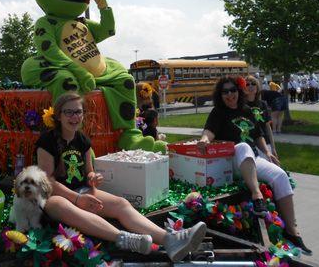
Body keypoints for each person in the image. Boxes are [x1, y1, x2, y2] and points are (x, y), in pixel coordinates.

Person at [36, 92, 206, 262]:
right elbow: (48, 181)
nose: (75, 117)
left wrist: (93, 177)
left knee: (121, 203)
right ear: (58, 115)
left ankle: (170, 240)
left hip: (82, 191)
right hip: (55, 197)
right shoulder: (47, 141)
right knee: (60, 204)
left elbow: (88, 171)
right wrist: (77, 198)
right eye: (69, 112)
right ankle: (125, 239)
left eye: (78, 112)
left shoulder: (82, 139)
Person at [197, 77, 311, 255]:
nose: (229, 94)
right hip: (231, 161)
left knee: (280, 175)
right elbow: (209, 131)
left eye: (232, 90)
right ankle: (257, 195)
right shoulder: (218, 112)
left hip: (253, 158)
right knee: (242, 147)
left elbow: (258, 135)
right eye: (225, 92)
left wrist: (268, 152)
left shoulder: (247, 110)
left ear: (238, 92)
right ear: (220, 95)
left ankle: (292, 231)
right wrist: (204, 140)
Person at [243, 75, 279, 161]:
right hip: (250, 144)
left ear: (257, 86)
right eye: (247, 84)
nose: (251, 86)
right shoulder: (242, 106)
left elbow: (267, 126)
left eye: (253, 84)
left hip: (265, 143)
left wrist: (273, 148)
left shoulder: (263, 104)